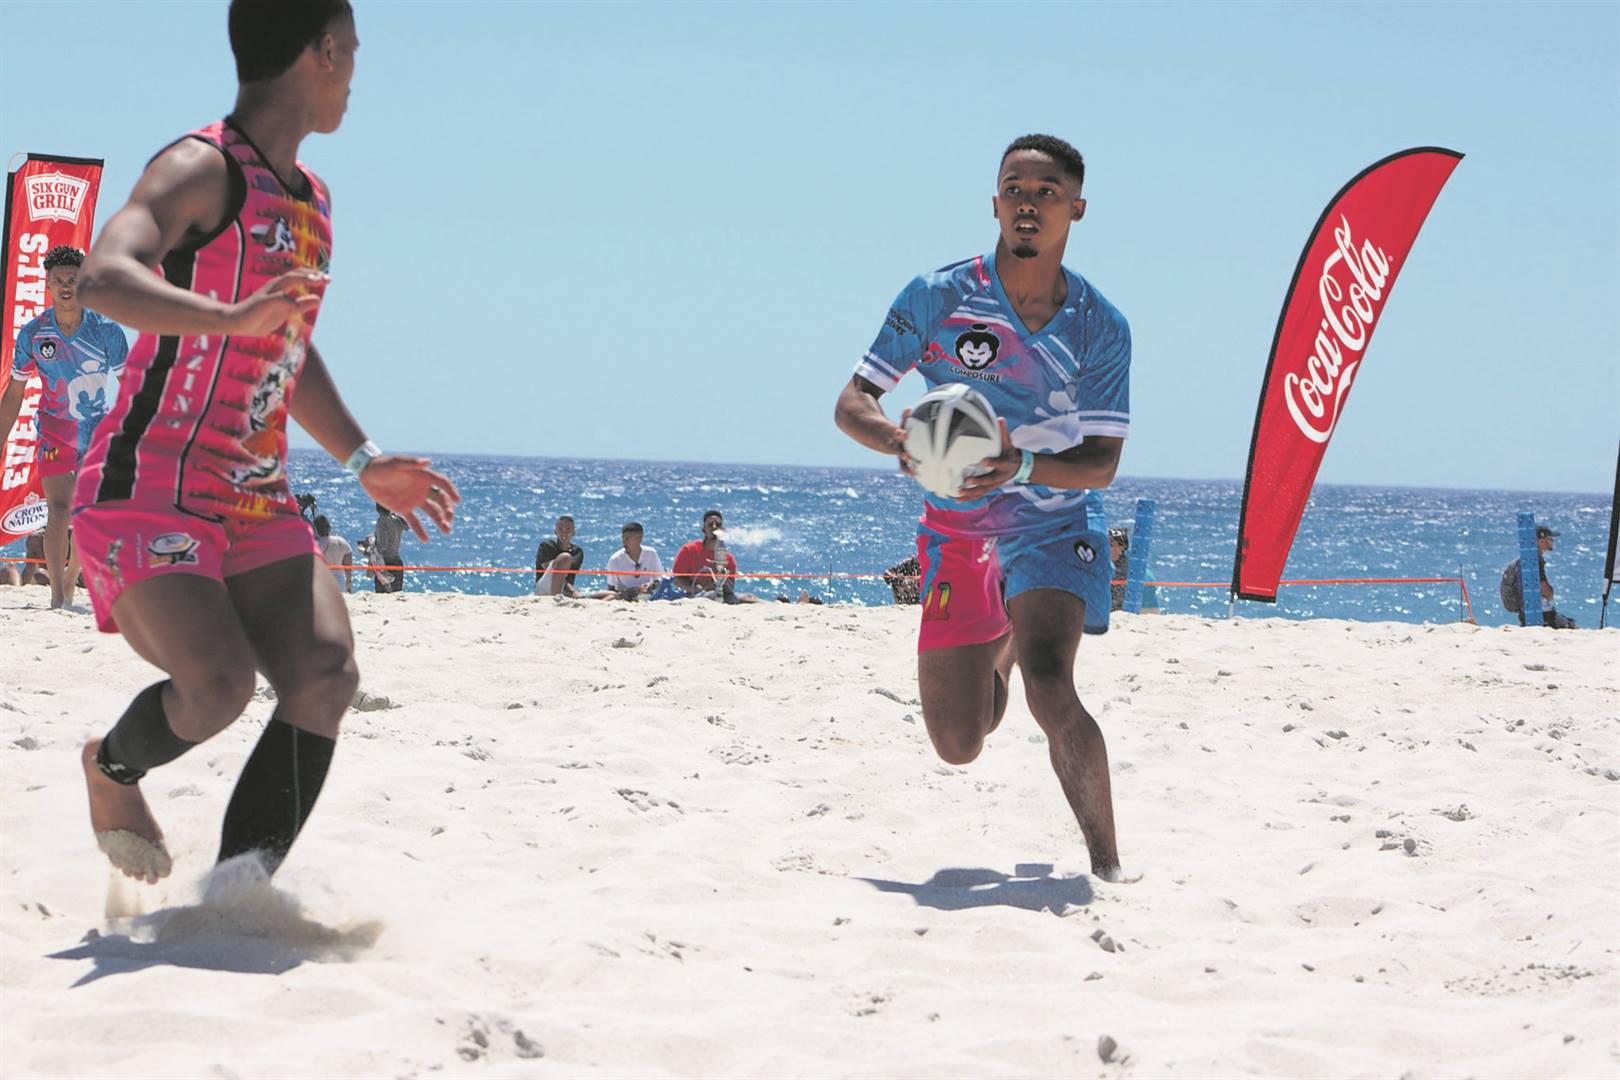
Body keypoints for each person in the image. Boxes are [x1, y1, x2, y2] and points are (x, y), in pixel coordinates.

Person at [67, 0, 459, 886]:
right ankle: (110, 769)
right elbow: (102, 277)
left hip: (252, 494)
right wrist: (225, 317)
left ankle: (235, 895)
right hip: (147, 482)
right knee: (217, 687)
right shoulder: (199, 167)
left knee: (324, 674)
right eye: (351, 50)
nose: (355, 74)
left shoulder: (313, 201)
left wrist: (362, 461)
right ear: (322, 52)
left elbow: (287, 345)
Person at [833, 134, 1137, 883]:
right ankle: (1001, 634)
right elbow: (854, 400)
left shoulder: (1100, 326)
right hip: (958, 529)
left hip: (1053, 522)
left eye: (1047, 192)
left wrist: (1020, 465)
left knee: (1051, 684)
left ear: (1077, 209)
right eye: (1015, 190)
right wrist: (901, 442)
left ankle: (1108, 868)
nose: (1029, 204)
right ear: (995, 203)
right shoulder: (936, 296)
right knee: (958, 742)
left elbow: (1101, 464)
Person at [0, 246, 129, 610]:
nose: (65, 286)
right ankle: (58, 596)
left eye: (73, 279)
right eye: (58, 280)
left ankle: (72, 577)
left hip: (96, 429)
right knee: (58, 509)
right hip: (54, 429)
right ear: (47, 284)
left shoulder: (107, 331)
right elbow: (14, 393)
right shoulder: (34, 333)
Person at [673, 509, 757, 603]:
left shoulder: (728, 558)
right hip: (697, 596)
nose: (714, 527)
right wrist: (698, 588)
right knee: (712, 595)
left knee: (748, 597)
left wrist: (721, 582)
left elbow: (730, 588)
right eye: (710, 524)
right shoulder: (688, 550)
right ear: (704, 529)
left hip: (723, 594)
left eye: (718, 524)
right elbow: (677, 580)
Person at [1501, 525, 1576, 629]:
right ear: (1541, 541)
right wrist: (1551, 593)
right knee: (1572, 626)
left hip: (1525, 611)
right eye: (1549, 539)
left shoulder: (1525, 560)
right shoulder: (1535, 560)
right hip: (1543, 613)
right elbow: (1543, 587)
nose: (1552, 541)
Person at [591, 521, 663, 599]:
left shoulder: (651, 554)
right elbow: (611, 588)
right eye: (623, 538)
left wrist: (651, 585)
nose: (624, 542)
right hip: (623, 597)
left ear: (640, 538)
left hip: (646, 596)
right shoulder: (615, 559)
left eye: (627, 538)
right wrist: (628, 592)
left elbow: (659, 580)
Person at [1108, 527, 1159, 614]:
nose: (1106, 548)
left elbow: (1152, 611)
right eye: (1108, 545)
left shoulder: (1138, 571)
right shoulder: (1100, 563)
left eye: (1111, 545)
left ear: (1122, 547)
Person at [534, 513, 584, 597]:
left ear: (574, 532)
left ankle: (562, 594)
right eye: (560, 529)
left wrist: (573, 591)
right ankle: (556, 598)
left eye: (568, 529)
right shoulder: (546, 546)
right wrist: (572, 590)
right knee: (565, 558)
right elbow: (553, 573)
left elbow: (569, 576)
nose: (564, 532)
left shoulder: (577, 552)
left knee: (605, 595)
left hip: (565, 589)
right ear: (555, 532)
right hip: (545, 588)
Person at [371, 502, 407, 593]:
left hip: (385, 562)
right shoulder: (397, 519)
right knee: (396, 593)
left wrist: (372, 547)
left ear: (377, 509)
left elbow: (382, 545)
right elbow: (407, 526)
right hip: (397, 559)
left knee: (381, 594)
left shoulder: (381, 521)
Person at [313, 514, 352, 593]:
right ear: (329, 527)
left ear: (315, 529)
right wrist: (349, 582)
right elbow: (348, 565)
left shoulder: (314, 545)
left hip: (321, 582)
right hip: (340, 583)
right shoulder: (341, 541)